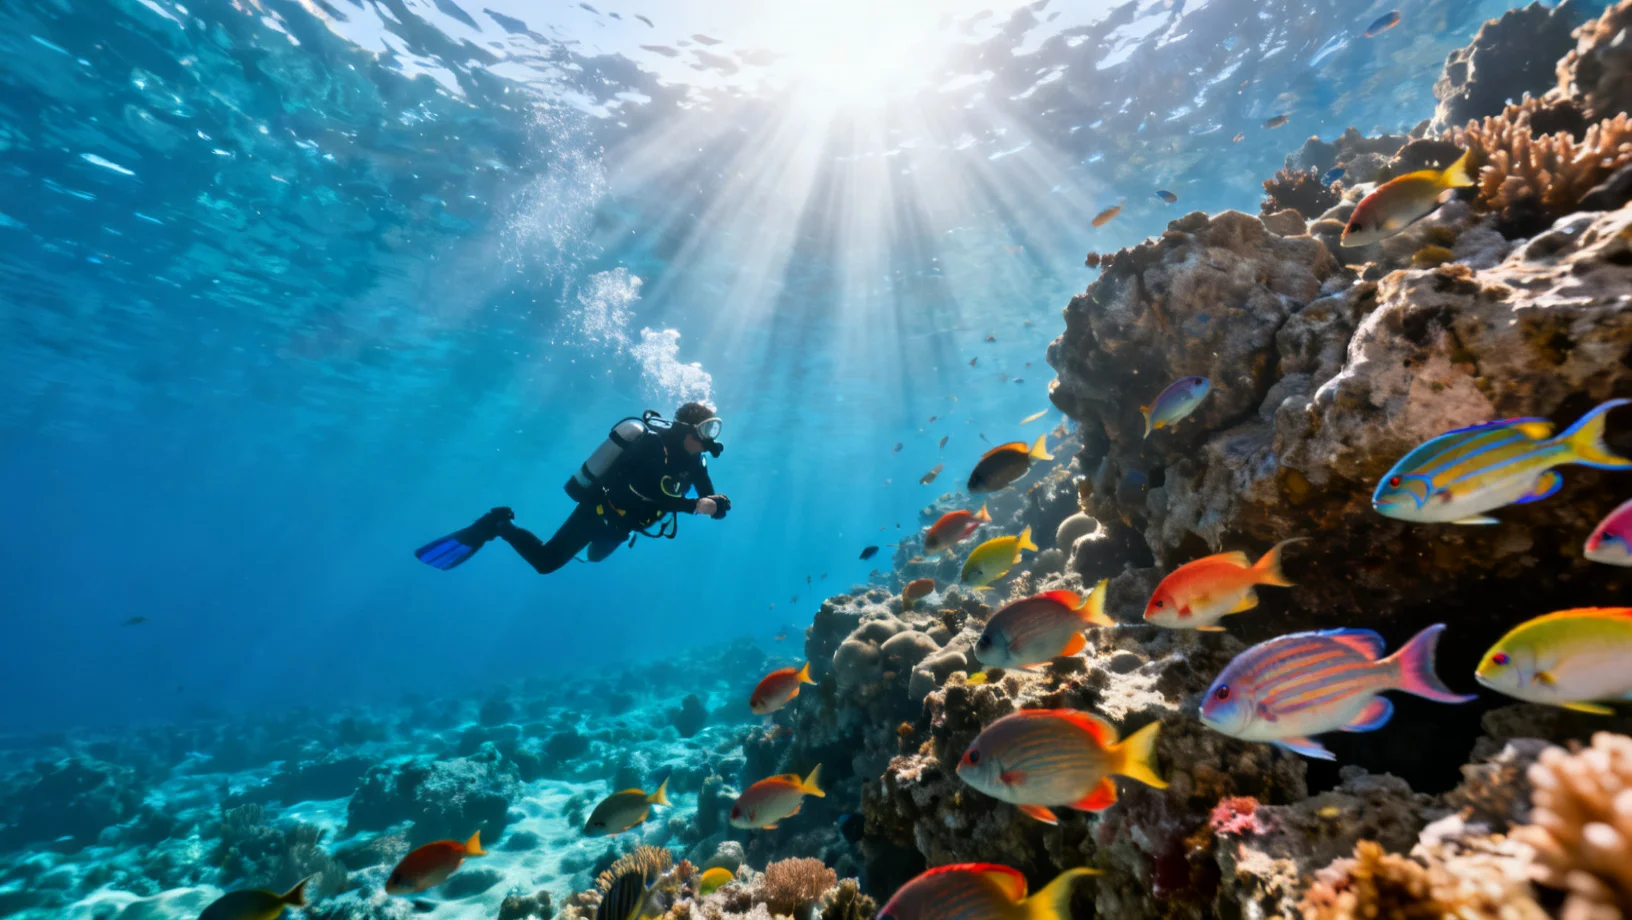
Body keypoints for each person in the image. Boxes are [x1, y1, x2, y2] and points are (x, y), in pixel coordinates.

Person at [415, 402, 731, 573]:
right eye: (703, 433)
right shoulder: (650, 445)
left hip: (624, 527)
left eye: (710, 434)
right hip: (598, 512)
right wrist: (695, 507)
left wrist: (718, 504)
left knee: (595, 558)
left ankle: (588, 550)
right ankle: (498, 524)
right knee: (546, 563)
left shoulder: (695, 459)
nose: (706, 443)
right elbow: (646, 491)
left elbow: (707, 495)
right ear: (683, 430)